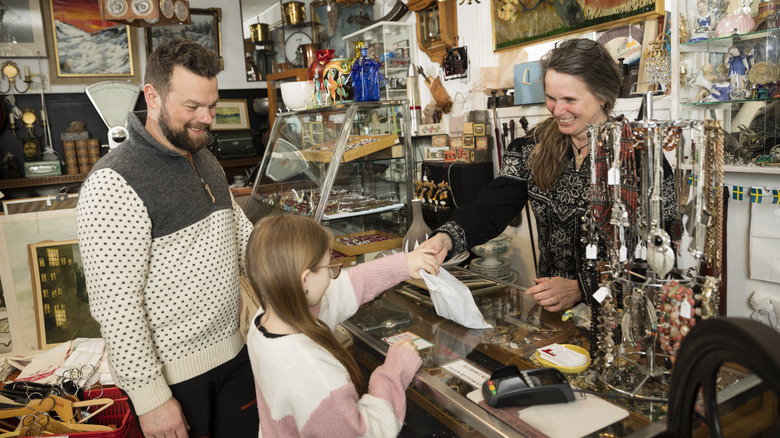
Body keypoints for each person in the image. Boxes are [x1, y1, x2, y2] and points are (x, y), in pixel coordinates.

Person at [76, 39, 258, 437]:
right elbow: (116, 308)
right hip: (174, 381)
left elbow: (243, 240)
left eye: (212, 105)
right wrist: (151, 398)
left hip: (235, 355)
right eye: (192, 107)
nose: (207, 118)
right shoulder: (113, 181)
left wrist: (301, 266)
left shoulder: (205, 157)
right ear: (152, 96)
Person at [419, 38, 677, 313]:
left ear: (603, 97)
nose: (558, 110)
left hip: (622, 315)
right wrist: (446, 238)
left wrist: (581, 287)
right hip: (554, 312)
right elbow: (491, 207)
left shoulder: (640, 158)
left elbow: (661, 250)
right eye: (551, 98)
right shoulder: (532, 147)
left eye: (570, 100)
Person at [245, 214, 439, 437]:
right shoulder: (316, 374)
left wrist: (403, 264)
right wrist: (395, 369)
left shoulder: (265, 320)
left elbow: (347, 287)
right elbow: (366, 432)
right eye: (328, 268)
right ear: (305, 280)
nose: (332, 277)